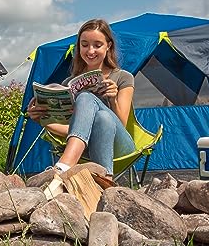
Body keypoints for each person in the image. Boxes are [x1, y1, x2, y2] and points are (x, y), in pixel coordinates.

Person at [27, 18, 136, 176]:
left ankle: (65, 164)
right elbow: (73, 129)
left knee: (86, 98)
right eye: (84, 45)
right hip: (85, 147)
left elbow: (122, 124)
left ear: (108, 46)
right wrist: (42, 120)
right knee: (102, 118)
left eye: (97, 45)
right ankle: (105, 180)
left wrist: (112, 98)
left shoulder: (123, 77)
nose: (90, 51)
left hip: (120, 145)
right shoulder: (68, 83)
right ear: (78, 47)